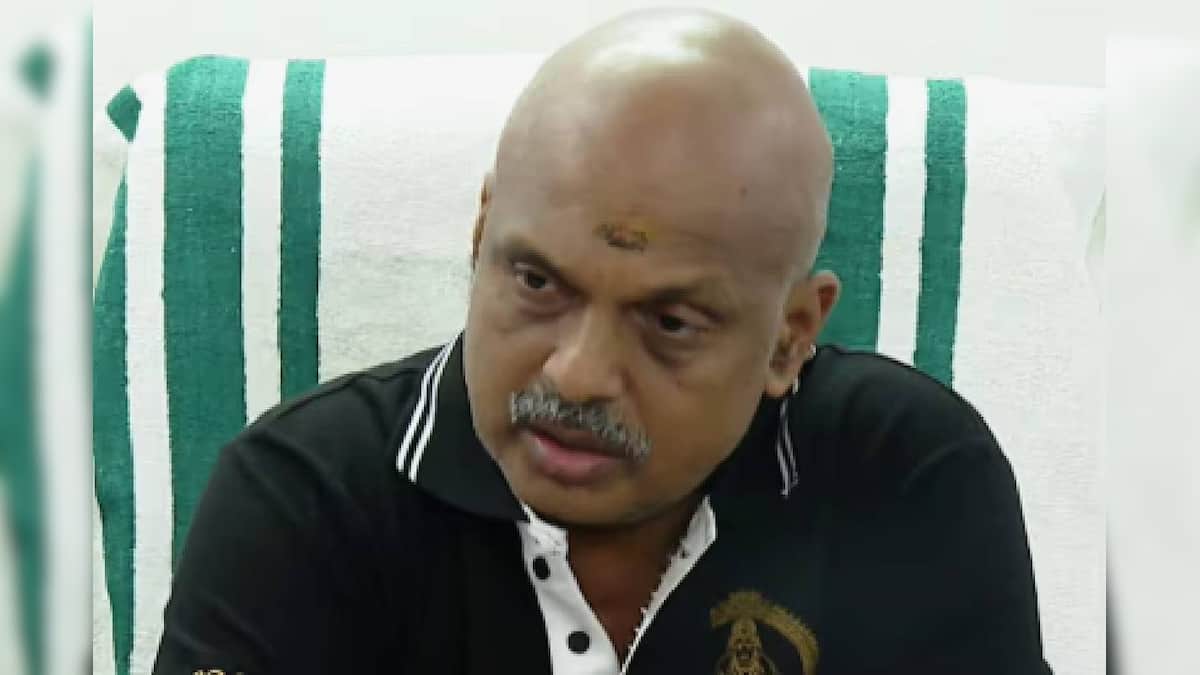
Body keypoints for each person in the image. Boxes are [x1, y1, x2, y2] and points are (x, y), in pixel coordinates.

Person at [154, 8, 1051, 674]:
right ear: (481, 235)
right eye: (537, 283)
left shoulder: (902, 476)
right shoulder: (305, 501)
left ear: (789, 338)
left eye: (670, 323)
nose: (577, 374)